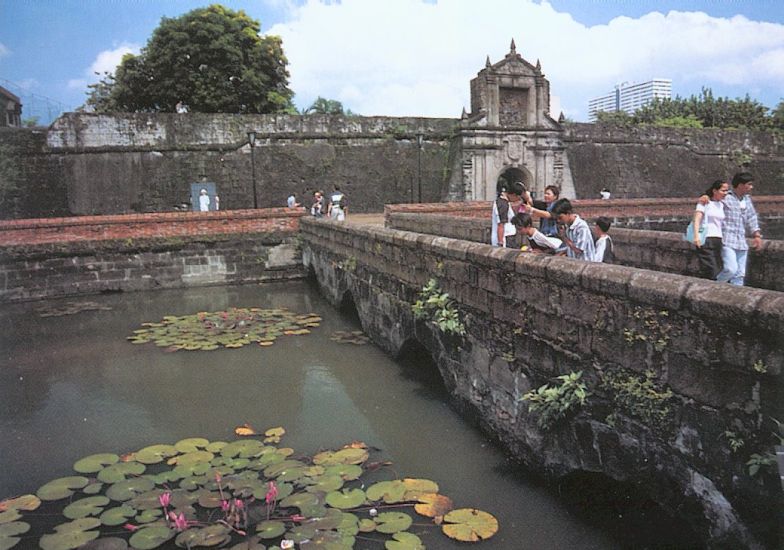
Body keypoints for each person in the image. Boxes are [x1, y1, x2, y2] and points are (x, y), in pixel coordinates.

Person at [703, 172, 763, 286]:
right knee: (730, 269)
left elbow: (752, 217)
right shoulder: (727, 197)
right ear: (740, 185)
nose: (751, 187)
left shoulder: (747, 200)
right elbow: (712, 197)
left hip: (741, 240)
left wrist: (757, 235)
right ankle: (714, 287)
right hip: (727, 240)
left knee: (740, 274)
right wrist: (705, 196)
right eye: (749, 184)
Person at [692, 180, 728, 280]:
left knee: (719, 269)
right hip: (706, 238)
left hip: (718, 239)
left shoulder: (721, 204)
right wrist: (696, 236)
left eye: (727, 191)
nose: (725, 193)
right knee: (711, 269)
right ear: (715, 191)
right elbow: (697, 219)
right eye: (723, 190)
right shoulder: (704, 202)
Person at [491, 181, 524, 247]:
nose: (518, 200)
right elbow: (501, 224)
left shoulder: (504, 202)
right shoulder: (503, 204)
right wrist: (500, 242)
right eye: (518, 197)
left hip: (508, 237)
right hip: (505, 238)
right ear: (514, 195)